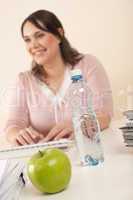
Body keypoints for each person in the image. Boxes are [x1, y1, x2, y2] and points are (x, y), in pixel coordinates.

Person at [4, 10, 113, 146]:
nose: (33, 45)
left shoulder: (88, 65)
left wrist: (78, 125)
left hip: (89, 153)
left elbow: (104, 115)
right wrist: (17, 134)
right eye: (27, 40)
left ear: (59, 34)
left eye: (40, 35)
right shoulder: (24, 81)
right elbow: (13, 125)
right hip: (46, 160)